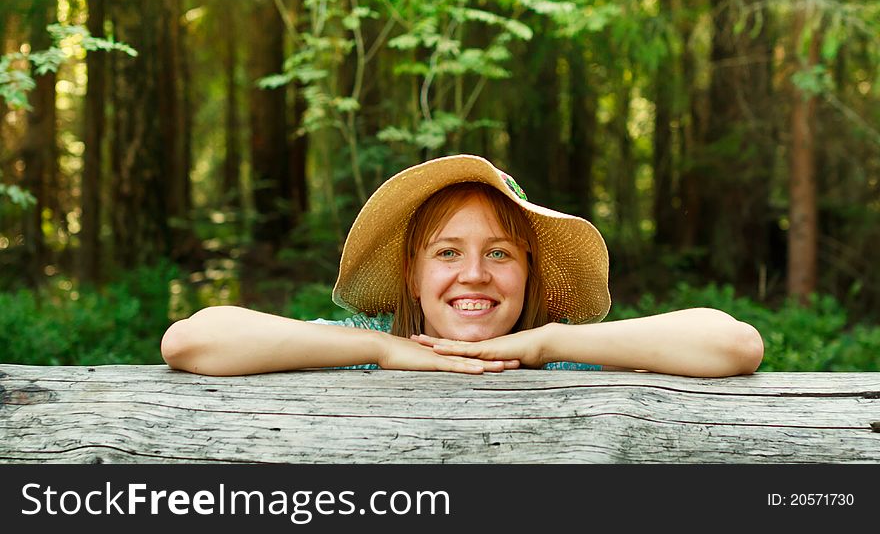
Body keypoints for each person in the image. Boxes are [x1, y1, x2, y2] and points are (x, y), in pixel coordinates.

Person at [161, 154, 764, 377]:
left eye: (499, 253)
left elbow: (735, 346)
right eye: (447, 253)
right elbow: (189, 341)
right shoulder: (367, 343)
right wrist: (387, 353)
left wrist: (548, 342)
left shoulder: (564, 354)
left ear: (530, 273)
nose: (474, 274)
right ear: (411, 275)